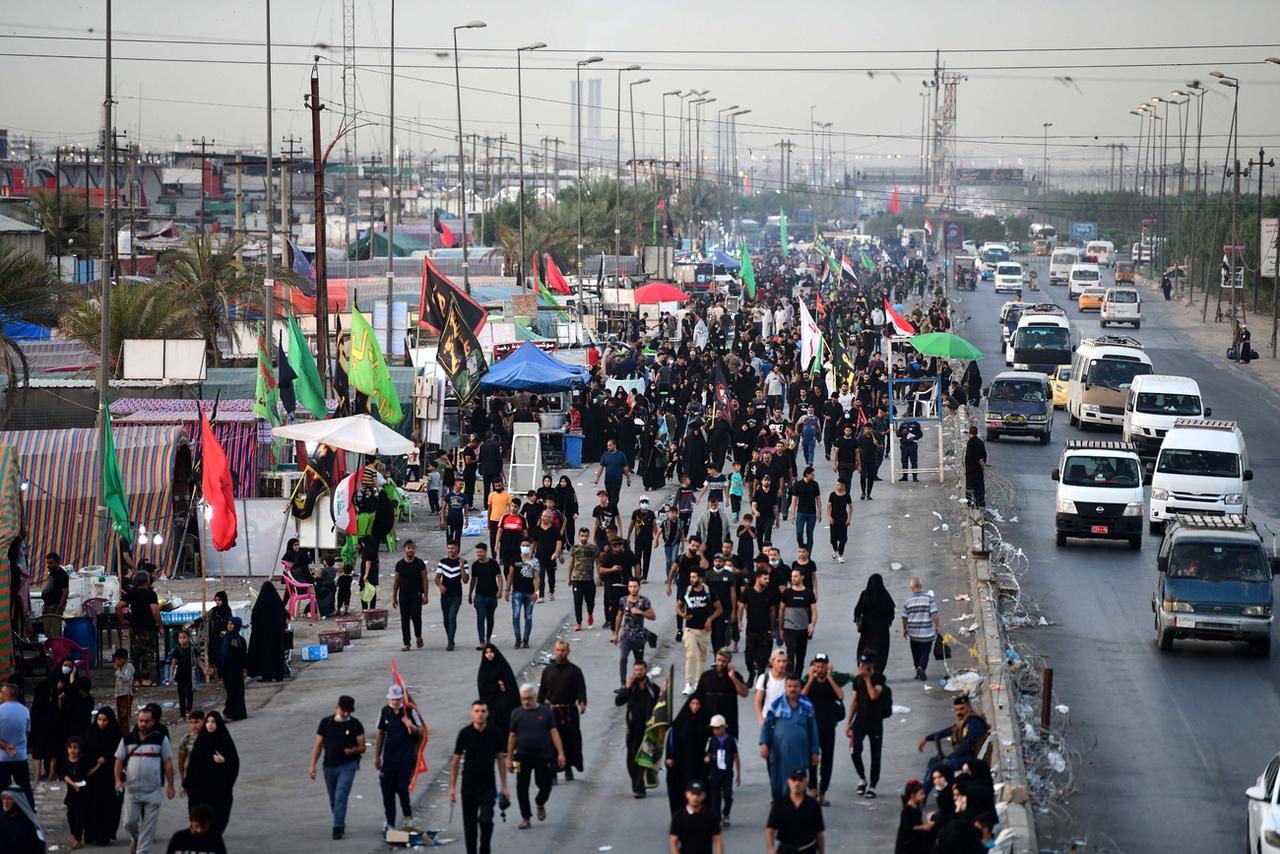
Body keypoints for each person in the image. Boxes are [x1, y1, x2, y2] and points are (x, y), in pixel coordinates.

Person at [449, 699, 509, 854]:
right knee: (469, 826)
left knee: (486, 821)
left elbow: (501, 759)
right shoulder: (464, 734)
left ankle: (484, 849)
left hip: (487, 785)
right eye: (477, 711)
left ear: (487, 713)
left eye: (483, 711)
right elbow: (456, 760)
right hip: (468, 786)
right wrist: (452, 787)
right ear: (472, 713)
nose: (480, 714)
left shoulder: (495, 733)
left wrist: (504, 786)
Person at [114, 704, 175, 854]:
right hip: (132, 789)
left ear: (153, 722)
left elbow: (167, 762)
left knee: (149, 825)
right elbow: (119, 760)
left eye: (146, 721)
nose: (143, 724)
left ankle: (142, 851)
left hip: (153, 789)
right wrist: (117, 780)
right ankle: (136, 838)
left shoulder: (161, 740)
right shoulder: (128, 739)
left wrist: (170, 786)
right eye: (140, 721)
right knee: (129, 823)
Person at [506, 684, 565, 829]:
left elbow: (554, 732)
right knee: (522, 787)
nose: (526, 701)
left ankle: (540, 802)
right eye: (523, 699)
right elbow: (512, 736)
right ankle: (526, 817)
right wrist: (509, 758)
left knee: (545, 784)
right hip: (521, 757)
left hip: (542, 755)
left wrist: (560, 753)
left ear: (535, 696)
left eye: (529, 698)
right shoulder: (516, 714)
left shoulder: (545, 712)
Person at [308, 695, 366, 840]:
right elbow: (318, 745)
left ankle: (337, 827)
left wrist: (353, 751)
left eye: (349, 711)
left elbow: (362, 747)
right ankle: (339, 820)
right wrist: (312, 766)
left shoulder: (355, 725)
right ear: (337, 707)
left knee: (341, 795)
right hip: (329, 767)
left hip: (348, 766)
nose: (346, 714)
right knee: (333, 799)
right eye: (344, 711)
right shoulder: (326, 723)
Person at [759, 676, 820, 799]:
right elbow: (766, 726)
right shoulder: (776, 705)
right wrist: (764, 744)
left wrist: (815, 752)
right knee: (777, 782)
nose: (793, 689)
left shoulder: (807, 706)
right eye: (790, 686)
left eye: (795, 686)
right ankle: (779, 805)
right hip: (779, 753)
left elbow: (813, 730)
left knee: (797, 782)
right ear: (785, 688)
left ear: (800, 687)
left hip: (800, 753)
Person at [375, 684, 424, 833]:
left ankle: (408, 818)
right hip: (389, 757)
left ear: (402, 698)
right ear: (389, 698)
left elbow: (422, 732)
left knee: (402, 788)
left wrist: (412, 727)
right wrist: (377, 756)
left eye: (398, 699)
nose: (396, 701)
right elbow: (381, 734)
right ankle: (390, 822)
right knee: (387, 790)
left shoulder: (409, 711)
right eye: (393, 699)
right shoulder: (385, 712)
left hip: (406, 757)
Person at [182, 711, 239, 836]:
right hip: (200, 790)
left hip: (219, 790)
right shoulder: (201, 742)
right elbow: (193, 766)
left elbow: (234, 763)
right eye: (207, 722)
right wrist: (186, 784)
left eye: (213, 722)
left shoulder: (225, 742)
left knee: (218, 817)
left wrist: (224, 761)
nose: (210, 725)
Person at [537, 640, 587, 781]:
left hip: (569, 712)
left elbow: (581, 690)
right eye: (558, 650)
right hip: (551, 713)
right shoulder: (548, 671)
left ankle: (568, 768)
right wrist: (538, 710)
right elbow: (542, 693)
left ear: (568, 652)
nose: (560, 653)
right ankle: (552, 772)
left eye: (563, 650)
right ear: (555, 651)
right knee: (551, 742)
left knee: (570, 741)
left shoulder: (575, 671)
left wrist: (582, 703)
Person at [919, 695, 989, 794]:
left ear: (969, 707)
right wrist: (927, 738)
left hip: (970, 758)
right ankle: (924, 788)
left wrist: (949, 757)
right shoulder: (964, 721)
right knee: (933, 761)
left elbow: (966, 746)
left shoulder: (973, 722)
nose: (958, 712)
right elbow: (949, 730)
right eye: (956, 710)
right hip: (963, 755)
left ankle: (923, 792)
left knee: (938, 767)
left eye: (961, 709)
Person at [801, 654, 844, 805]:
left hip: (828, 728)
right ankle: (812, 790)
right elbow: (801, 698)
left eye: (823, 666)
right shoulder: (810, 682)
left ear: (827, 666)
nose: (820, 670)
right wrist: (810, 679)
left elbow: (840, 695)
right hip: (812, 729)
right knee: (812, 760)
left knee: (827, 762)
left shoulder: (831, 682)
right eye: (817, 666)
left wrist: (830, 677)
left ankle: (823, 792)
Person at [845, 651, 887, 800]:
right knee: (855, 751)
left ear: (872, 665)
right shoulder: (857, 680)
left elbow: (874, 695)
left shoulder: (879, 678)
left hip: (875, 722)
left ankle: (873, 785)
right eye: (860, 664)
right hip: (860, 722)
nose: (861, 667)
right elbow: (854, 702)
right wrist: (848, 723)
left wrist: (868, 679)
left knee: (875, 755)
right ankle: (862, 778)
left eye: (865, 665)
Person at [615, 661, 659, 798]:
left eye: (641, 670)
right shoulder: (631, 687)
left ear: (645, 670)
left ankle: (640, 787)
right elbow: (618, 701)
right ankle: (636, 781)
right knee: (632, 759)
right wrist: (627, 687)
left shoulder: (653, 688)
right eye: (636, 670)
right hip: (633, 729)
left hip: (649, 730)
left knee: (645, 758)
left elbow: (660, 706)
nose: (638, 672)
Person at [676, 568, 722, 696]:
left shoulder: (708, 592)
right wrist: (683, 615)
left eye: (694, 577)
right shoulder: (687, 591)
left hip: (704, 630)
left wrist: (710, 619)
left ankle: (698, 682)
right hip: (690, 629)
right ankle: (688, 683)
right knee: (691, 655)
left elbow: (719, 609)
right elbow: (678, 606)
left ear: (701, 578)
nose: (692, 579)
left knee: (702, 657)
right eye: (691, 577)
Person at [82, 706, 124, 845]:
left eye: (105, 720)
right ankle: (91, 834)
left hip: (109, 777)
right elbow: (85, 753)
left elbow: (120, 757)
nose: (101, 723)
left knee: (108, 807)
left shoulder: (116, 736)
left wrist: (107, 760)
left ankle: (104, 835)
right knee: (91, 806)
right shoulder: (90, 734)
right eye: (99, 719)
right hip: (93, 778)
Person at [765, 767, 825, 854]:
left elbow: (819, 833)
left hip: (808, 850)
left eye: (801, 780)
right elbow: (770, 829)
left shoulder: (813, 805)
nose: (797, 783)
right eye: (794, 779)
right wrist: (771, 848)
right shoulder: (779, 804)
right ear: (789, 782)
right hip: (786, 850)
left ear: (806, 783)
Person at [664, 696, 709, 813]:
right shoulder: (679, 723)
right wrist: (670, 757)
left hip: (699, 764)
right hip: (681, 764)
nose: (695, 706)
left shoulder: (705, 723)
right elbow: (671, 742)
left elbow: (710, 742)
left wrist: (708, 756)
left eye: (697, 704)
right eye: (692, 703)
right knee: (679, 789)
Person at [694, 650, 748, 741]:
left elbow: (744, 693)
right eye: (718, 660)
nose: (720, 663)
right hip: (708, 724)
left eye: (724, 661)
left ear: (729, 663)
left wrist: (733, 677)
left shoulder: (735, 676)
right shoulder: (706, 676)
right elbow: (697, 697)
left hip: (728, 724)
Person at [613, 578, 656, 686]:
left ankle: (639, 683)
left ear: (639, 587)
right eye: (630, 586)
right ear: (628, 588)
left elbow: (653, 616)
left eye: (635, 586)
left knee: (639, 663)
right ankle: (623, 684)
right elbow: (619, 616)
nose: (632, 589)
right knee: (623, 658)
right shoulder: (623, 600)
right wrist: (615, 634)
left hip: (638, 637)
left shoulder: (644, 601)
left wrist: (641, 612)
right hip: (626, 636)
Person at [246, 581, 288, 683]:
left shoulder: (260, 604)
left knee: (265, 655)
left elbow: (255, 619)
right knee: (276, 654)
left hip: (263, 637)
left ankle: (267, 675)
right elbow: (283, 617)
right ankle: (278, 675)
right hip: (276, 636)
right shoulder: (277, 604)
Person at [0, 683, 33, 814]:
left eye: (2, 693)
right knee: (25, 787)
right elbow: (26, 731)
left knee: (2, 788)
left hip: (2, 758)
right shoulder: (25, 710)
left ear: (8, 694)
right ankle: (30, 814)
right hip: (20, 756)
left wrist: (5, 746)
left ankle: (4, 816)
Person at [669, 778, 723, 854]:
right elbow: (673, 841)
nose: (695, 797)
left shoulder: (710, 815)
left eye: (698, 794)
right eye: (692, 793)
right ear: (686, 794)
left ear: (704, 796)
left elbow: (717, 840)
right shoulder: (678, 816)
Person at [476, 644, 518, 742]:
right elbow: (482, 688)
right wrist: (496, 686)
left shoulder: (502, 666)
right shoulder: (484, 669)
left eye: (491, 652)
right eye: (486, 652)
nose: (489, 654)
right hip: (490, 703)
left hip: (505, 704)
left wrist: (503, 687)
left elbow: (510, 684)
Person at [902, 577, 942, 681]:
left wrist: (904, 629)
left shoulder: (908, 601)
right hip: (926, 633)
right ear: (921, 586)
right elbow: (934, 614)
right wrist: (937, 626)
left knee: (915, 653)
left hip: (913, 633)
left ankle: (917, 671)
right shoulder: (929, 598)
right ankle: (921, 667)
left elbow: (904, 617)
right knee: (925, 653)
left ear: (911, 588)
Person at [779, 569, 818, 675]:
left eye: (796, 576)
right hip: (789, 629)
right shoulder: (787, 593)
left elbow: (814, 611)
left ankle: (798, 678)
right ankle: (789, 677)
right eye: (792, 576)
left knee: (801, 657)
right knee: (790, 653)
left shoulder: (808, 593)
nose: (793, 578)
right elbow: (781, 611)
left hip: (802, 629)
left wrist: (812, 625)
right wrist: (781, 628)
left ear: (802, 577)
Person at [393, 540, 429, 651]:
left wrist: (425, 595)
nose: (411, 550)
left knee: (416, 616)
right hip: (403, 595)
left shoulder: (419, 563)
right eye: (408, 548)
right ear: (405, 549)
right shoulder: (400, 564)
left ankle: (418, 636)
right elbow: (396, 581)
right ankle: (407, 643)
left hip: (416, 594)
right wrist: (394, 597)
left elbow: (424, 579)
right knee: (405, 619)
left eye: (412, 548)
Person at [854, 573, 895, 672]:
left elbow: (857, 611)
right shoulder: (885, 596)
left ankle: (865, 669)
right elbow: (891, 611)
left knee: (866, 650)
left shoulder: (865, 595)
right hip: (882, 631)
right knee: (881, 652)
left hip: (867, 631)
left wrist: (857, 621)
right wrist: (888, 622)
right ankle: (878, 671)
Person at [127, 570, 162, 685]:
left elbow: (119, 606)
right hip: (148, 627)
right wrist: (160, 626)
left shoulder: (132, 593)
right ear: (147, 581)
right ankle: (146, 679)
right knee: (147, 654)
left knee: (135, 653)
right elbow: (155, 611)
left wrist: (122, 619)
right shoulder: (150, 594)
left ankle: (136, 679)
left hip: (134, 627)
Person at [505, 539, 541, 649]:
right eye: (523, 545)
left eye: (527, 545)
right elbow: (510, 575)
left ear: (530, 547)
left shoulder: (535, 561)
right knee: (516, 616)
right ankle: (518, 639)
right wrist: (507, 590)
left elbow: (537, 578)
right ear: (520, 546)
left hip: (529, 593)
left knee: (528, 617)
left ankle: (526, 640)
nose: (525, 547)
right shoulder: (515, 560)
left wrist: (536, 593)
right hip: (517, 592)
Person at [435, 541, 469, 651]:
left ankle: (450, 642)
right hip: (444, 596)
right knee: (446, 620)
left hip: (456, 595)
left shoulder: (464, 562)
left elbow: (465, 580)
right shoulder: (443, 562)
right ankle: (450, 638)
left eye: (452, 548)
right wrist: (440, 586)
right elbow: (437, 578)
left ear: (457, 549)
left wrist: (462, 567)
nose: (450, 550)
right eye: (449, 548)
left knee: (452, 617)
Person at [468, 544, 502, 649]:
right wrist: (470, 594)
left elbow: (499, 577)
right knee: (480, 618)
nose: (479, 554)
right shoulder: (475, 565)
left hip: (492, 595)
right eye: (477, 552)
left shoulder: (493, 564)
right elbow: (473, 580)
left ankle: (488, 639)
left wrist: (500, 590)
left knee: (490, 618)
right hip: (480, 596)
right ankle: (482, 641)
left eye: (480, 552)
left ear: (486, 551)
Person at [568, 528, 599, 631]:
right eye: (582, 536)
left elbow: (598, 563)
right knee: (577, 602)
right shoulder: (574, 548)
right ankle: (578, 622)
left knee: (590, 602)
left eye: (585, 536)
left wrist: (599, 576)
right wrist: (569, 577)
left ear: (588, 536)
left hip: (589, 579)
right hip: (577, 579)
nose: (584, 538)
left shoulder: (593, 548)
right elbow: (571, 564)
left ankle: (590, 614)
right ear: (579, 536)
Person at [0, 785, 45, 854]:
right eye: (3, 798)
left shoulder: (29, 824)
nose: (5, 802)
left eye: (9, 799)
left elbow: (39, 848)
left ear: (18, 801)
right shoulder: (2, 820)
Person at [218, 619, 247, 722]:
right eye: (228, 623)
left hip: (236, 669)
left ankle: (228, 713)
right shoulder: (226, 638)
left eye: (232, 624)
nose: (229, 626)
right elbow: (223, 655)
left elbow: (242, 656)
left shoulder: (238, 640)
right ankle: (235, 713)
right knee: (231, 691)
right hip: (227, 669)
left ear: (237, 626)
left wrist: (244, 669)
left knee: (234, 691)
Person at [752, 649, 790, 725]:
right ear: (772, 662)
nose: (781, 664)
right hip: (768, 720)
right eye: (778, 661)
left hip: (785, 721)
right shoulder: (764, 678)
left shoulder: (790, 680)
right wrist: (761, 720)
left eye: (784, 661)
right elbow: (757, 702)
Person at [895, 780, 934, 854]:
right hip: (907, 843)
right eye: (921, 794)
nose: (924, 796)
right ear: (912, 795)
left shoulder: (916, 806)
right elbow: (908, 827)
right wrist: (924, 827)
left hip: (915, 839)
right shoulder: (907, 810)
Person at [789, 466, 822, 552]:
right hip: (801, 512)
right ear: (806, 474)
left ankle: (808, 555)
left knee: (809, 534)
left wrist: (819, 512)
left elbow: (818, 498)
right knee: (799, 533)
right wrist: (792, 514)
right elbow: (794, 499)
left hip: (812, 513)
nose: (814, 476)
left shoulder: (815, 484)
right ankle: (802, 549)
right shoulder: (798, 484)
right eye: (812, 474)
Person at [167, 630, 197, 719]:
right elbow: (173, 664)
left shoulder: (192, 650)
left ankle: (189, 710)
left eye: (184, 637)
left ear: (188, 638)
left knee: (189, 693)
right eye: (180, 638)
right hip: (180, 675)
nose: (182, 640)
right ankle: (183, 715)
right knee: (181, 695)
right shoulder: (177, 650)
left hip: (190, 675)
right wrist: (171, 676)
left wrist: (204, 669)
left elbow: (198, 661)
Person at [594, 439, 633, 509]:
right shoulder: (605, 455)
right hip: (608, 480)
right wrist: (597, 478)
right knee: (609, 496)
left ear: (614, 446)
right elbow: (601, 467)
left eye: (610, 445)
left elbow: (625, 468)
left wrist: (628, 478)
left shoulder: (621, 455)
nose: (608, 447)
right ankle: (612, 509)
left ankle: (612, 511)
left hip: (617, 480)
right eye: (607, 446)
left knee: (615, 496)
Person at [628, 496, 658, 583]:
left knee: (646, 558)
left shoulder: (651, 514)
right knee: (637, 557)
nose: (644, 503)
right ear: (639, 503)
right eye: (642, 502)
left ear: (648, 503)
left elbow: (654, 526)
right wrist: (628, 536)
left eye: (645, 502)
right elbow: (631, 525)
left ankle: (644, 576)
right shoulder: (636, 513)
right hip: (638, 539)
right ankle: (638, 574)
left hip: (648, 539)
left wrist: (656, 538)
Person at [826, 480, 852, 563]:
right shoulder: (832, 495)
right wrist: (829, 517)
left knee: (843, 538)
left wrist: (849, 519)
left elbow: (851, 507)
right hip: (834, 519)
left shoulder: (847, 496)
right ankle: (835, 549)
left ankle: (840, 555)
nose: (838, 487)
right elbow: (828, 506)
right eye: (837, 485)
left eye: (840, 485)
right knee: (833, 538)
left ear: (843, 486)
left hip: (843, 518)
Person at [964, 426, 987, 508]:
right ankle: (980, 502)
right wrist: (982, 461)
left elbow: (969, 456)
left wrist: (967, 467)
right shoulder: (980, 442)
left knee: (970, 487)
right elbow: (984, 454)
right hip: (978, 467)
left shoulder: (970, 442)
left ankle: (970, 502)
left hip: (971, 469)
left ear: (970, 433)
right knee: (979, 486)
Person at [442, 479, 470, 545]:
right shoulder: (449, 495)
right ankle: (449, 552)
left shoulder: (464, 496)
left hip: (459, 520)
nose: (461, 486)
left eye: (462, 485)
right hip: (450, 520)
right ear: (455, 484)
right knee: (449, 536)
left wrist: (466, 520)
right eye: (460, 484)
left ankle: (457, 552)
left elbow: (466, 509)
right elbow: (443, 508)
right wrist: (442, 520)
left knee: (458, 537)